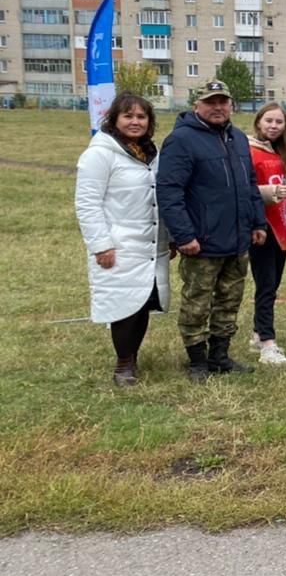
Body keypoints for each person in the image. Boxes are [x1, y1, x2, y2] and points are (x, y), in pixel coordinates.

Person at [157, 80, 267, 382]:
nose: (218, 107)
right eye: (210, 102)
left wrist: (257, 223)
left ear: (231, 105)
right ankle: (197, 362)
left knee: (229, 301)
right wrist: (183, 236)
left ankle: (220, 356)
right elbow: (169, 192)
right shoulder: (181, 141)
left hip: (237, 239)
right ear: (197, 106)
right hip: (201, 242)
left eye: (223, 102)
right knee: (197, 304)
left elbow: (249, 186)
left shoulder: (238, 139)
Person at [74, 94, 172, 386]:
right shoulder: (100, 154)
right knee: (123, 305)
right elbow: (87, 203)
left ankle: (134, 355)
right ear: (114, 119)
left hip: (150, 242)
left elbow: (161, 199)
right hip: (119, 243)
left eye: (141, 117)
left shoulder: (150, 154)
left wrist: (168, 238)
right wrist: (101, 244)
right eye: (128, 116)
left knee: (143, 301)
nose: (135, 122)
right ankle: (123, 364)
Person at [247, 103, 286, 366]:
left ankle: (259, 332)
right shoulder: (248, 150)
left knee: (272, 283)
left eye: (279, 122)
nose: (273, 126)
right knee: (267, 283)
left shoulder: (282, 153)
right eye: (268, 121)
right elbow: (246, 187)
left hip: (281, 225)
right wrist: (267, 194)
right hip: (260, 225)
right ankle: (268, 344)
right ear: (259, 122)